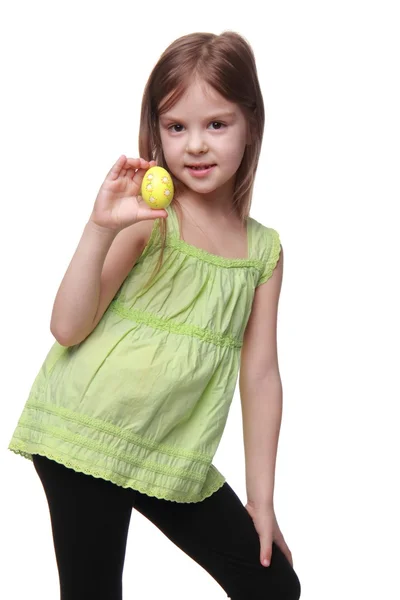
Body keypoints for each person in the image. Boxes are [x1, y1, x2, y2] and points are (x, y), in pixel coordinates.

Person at [8, 30, 301, 600]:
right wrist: (100, 227)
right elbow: (68, 328)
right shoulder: (148, 218)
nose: (195, 145)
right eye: (176, 127)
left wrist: (260, 502)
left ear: (251, 125)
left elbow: (261, 374)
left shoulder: (263, 251)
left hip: (170, 450)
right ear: (158, 131)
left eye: (216, 124)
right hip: (84, 436)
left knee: (273, 587)